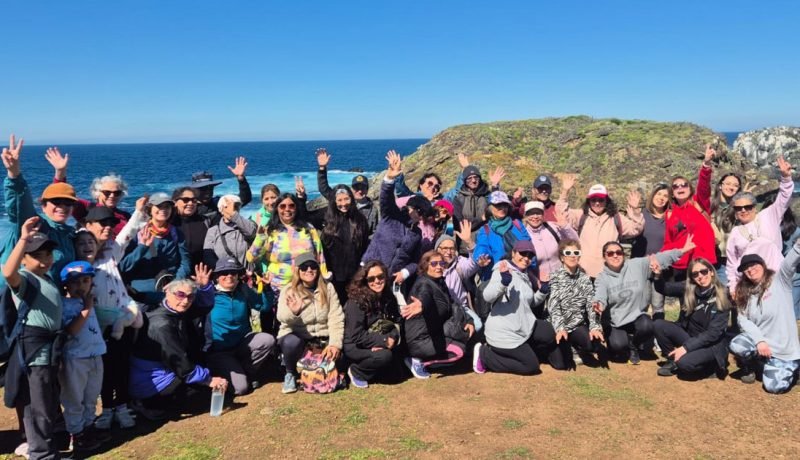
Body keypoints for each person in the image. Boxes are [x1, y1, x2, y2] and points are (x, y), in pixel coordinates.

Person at [80, 202, 147, 431]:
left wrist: (139, 211)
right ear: (88, 226)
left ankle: (123, 406)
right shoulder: (82, 253)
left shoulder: (111, 252)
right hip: (98, 324)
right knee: (105, 368)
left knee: (123, 364)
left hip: (122, 319)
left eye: (111, 223)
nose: (108, 227)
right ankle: (107, 408)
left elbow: (127, 234)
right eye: (102, 223)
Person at [2, 217, 63, 460]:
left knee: (40, 402)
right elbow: (8, 272)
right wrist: (24, 239)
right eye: (38, 255)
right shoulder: (24, 279)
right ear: (25, 259)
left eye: (48, 254)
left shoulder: (46, 278)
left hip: (48, 348)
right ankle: (42, 454)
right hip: (36, 350)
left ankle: (40, 448)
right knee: (40, 405)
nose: (46, 259)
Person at [128, 276, 225, 420]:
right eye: (180, 295)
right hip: (150, 383)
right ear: (167, 293)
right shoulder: (161, 324)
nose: (185, 300)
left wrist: (205, 287)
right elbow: (179, 362)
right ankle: (145, 404)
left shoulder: (176, 311)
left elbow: (203, 307)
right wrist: (208, 380)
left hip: (166, 372)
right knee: (202, 397)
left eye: (190, 296)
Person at [593, 237, 695, 364]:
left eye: (619, 252)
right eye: (610, 253)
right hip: (616, 321)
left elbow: (661, 258)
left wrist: (682, 251)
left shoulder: (637, 265)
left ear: (623, 255)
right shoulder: (602, 278)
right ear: (604, 257)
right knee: (618, 347)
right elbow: (600, 294)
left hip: (636, 316)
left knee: (648, 326)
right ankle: (621, 343)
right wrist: (599, 303)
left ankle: (633, 345)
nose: (615, 256)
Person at [472, 240, 565, 375]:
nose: (526, 258)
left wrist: (543, 290)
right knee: (530, 366)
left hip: (523, 324)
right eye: (523, 253)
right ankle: (485, 355)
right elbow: (488, 296)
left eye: (530, 255)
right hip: (505, 332)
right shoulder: (502, 270)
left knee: (548, 331)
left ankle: (544, 355)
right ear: (514, 253)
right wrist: (504, 282)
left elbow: (530, 303)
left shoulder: (524, 274)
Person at [2, 135, 77, 289]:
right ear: (43, 206)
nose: (62, 207)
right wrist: (14, 176)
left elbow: (59, 192)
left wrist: (60, 173)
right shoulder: (35, 225)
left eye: (68, 203)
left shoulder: (69, 235)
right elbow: (19, 205)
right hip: (19, 302)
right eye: (56, 202)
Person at [729, 250, 800, 394]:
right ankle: (756, 364)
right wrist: (759, 340)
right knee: (737, 344)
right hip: (763, 344)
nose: (750, 269)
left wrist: (798, 246)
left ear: (763, 265)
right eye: (745, 268)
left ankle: (793, 367)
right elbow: (742, 319)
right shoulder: (745, 292)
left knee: (774, 386)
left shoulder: (780, 281)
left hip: (783, 349)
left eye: (754, 264)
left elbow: (789, 262)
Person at [204, 258, 276, 396]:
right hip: (220, 351)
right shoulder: (209, 294)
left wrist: (266, 288)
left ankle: (245, 371)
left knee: (267, 340)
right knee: (240, 389)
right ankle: (226, 371)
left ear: (238, 276)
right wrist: (201, 288)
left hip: (243, 344)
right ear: (217, 277)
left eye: (233, 272)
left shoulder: (242, 290)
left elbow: (263, 306)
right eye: (224, 273)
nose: (229, 276)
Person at [276, 253, 344, 394]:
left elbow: (335, 317)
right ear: (297, 270)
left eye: (312, 266)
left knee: (345, 348)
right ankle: (290, 373)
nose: (309, 270)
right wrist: (294, 312)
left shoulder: (328, 288)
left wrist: (334, 344)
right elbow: (281, 317)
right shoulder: (289, 290)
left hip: (321, 338)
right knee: (290, 342)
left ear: (318, 269)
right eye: (304, 267)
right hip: (298, 337)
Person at [653, 258, 731, 378]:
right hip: (690, 337)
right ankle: (672, 359)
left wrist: (685, 348)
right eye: (695, 274)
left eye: (704, 271)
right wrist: (658, 275)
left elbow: (713, 333)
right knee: (658, 325)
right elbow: (664, 288)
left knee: (684, 364)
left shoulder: (722, 295)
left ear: (711, 272)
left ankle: (712, 366)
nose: (700, 276)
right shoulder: (689, 288)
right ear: (692, 278)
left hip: (711, 345)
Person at [726, 156, 794, 294]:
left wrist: (786, 178)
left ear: (755, 207)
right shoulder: (735, 232)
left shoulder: (769, 215)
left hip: (776, 279)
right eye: (739, 208)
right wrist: (733, 286)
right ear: (735, 211)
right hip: (749, 283)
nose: (743, 210)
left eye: (748, 206)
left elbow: (783, 198)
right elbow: (732, 263)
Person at [57, 261, 106, 452]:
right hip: (74, 358)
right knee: (73, 399)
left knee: (91, 397)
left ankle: (88, 428)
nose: (81, 286)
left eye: (86, 281)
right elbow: (71, 331)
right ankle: (76, 434)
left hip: (95, 355)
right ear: (66, 285)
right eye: (75, 282)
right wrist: (86, 308)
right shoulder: (65, 304)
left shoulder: (90, 300)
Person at [361, 151, 430, 286]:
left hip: (391, 280)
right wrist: (389, 179)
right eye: (420, 211)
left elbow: (416, 261)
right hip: (368, 272)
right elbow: (385, 198)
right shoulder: (391, 216)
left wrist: (404, 272)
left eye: (424, 214)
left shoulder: (417, 233)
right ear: (411, 207)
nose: (421, 217)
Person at [403, 251, 475, 379]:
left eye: (441, 263)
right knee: (459, 351)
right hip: (420, 339)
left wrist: (469, 320)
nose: (438, 267)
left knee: (464, 340)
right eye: (434, 263)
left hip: (435, 332)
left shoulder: (440, 282)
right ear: (426, 266)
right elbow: (424, 295)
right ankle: (419, 362)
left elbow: (454, 305)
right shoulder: (424, 283)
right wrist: (422, 305)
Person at [558, 176, 644, 279]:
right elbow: (561, 213)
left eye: (601, 200)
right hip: (583, 273)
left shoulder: (616, 218)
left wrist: (635, 210)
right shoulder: (581, 215)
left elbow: (636, 229)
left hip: (608, 274)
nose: (597, 203)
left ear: (607, 201)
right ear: (588, 201)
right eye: (593, 200)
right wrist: (565, 191)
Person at [343, 261, 404, 388]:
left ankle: (374, 368)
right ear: (365, 280)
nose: (377, 281)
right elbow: (356, 335)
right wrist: (382, 341)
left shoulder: (388, 297)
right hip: (356, 345)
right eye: (371, 278)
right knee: (384, 357)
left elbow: (396, 322)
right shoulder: (356, 301)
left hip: (381, 339)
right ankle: (356, 371)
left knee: (397, 375)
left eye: (380, 277)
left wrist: (392, 338)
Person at [45, 147, 131, 237]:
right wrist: (60, 171)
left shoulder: (125, 216)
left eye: (116, 193)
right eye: (107, 192)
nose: (112, 195)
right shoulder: (87, 209)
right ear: (97, 193)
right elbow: (62, 194)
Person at [547, 239, 605, 366]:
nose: (573, 256)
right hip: (558, 326)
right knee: (560, 364)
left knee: (594, 345)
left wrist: (594, 326)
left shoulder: (585, 278)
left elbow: (591, 305)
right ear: (562, 257)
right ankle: (558, 348)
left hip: (577, 325)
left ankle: (577, 347)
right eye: (568, 253)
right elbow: (554, 306)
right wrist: (560, 328)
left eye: (576, 252)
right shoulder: (554, 277)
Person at [661, 147, 717, 279]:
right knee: (686, 299)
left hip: (704, 264)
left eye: (684, 185)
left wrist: (706, 164)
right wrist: (658, 258)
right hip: (681, 267)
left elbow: (704, 186)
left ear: (690, 189)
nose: (680, 187)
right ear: (672, 193)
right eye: (676, 186)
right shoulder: (670, 214)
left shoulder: (699, 203)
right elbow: (668, 243)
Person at [308, 184, 369, 304]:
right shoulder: (326, 216)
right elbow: (304, 217)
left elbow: (365, 246)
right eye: (339, 200)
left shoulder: (360, 219)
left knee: (352, 307)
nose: (343, 203)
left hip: (354, 275)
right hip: (331, 276)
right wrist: (301, 197)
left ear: (352, 199)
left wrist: (363, 270)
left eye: (346, 199)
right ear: (334, 201)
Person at [119, 193, 192, 293]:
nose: (163, 210)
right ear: (150, 209)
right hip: (141, 293)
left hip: (169, 290)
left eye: (167, 207)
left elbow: (185, 262)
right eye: (158, 206)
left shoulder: (176, 233)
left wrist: (176, 282)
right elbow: (124, 266)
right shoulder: (137, 233)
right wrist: (142, 247)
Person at [315, 148, 378, 237]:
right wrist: (322, 168)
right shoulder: (343, 201)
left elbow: (374, 232)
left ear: (367, 189)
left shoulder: (373, 210)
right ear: (351, 189)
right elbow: (323, 188)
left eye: (363, 188)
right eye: (356, 187)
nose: (359, 191)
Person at [435, 227, 489, 332]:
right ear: (437, 249)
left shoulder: (459, 263)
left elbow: (474, 263)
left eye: (452, 248)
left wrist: (469, 241)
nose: (448, 252)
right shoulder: (432, 266)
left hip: (462, 308)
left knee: (477, 325)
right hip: (441, 309)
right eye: (444, 248)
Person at [630, 182, 670, 319]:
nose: (661, 198)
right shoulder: (642, 214)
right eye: (659, 194)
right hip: (642, 266)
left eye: (665, 195)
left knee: (658, 303)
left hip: (660, 267)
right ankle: (642, 335)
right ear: (652, 195)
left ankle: (658, 335)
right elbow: (632, 228)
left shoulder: (670, 217)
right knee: (642, 302)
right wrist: (634, 209)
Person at [473, 191, 532, 280]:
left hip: (521, 274)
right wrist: (482, 257)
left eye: (505, 205)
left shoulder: (517, 224)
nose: (502, 208)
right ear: (490, 208)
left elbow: (528, 245)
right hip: (496, 276)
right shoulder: (486, 229)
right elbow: (482, 247)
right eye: (498, 205)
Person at [451, 163, 505, 255]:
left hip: (487, 244)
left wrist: (495, 186)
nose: (473, 181)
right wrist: (482, 219)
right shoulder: (458, 199)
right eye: (469, 178)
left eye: (476, 177)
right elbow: (459, 226)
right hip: (465, 248)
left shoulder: (486, 195)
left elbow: (497, 208)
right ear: (464, 181)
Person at [187, 157, 252, 226]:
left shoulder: (219, 204)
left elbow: (245, 199)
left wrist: (241, 179)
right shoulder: (188, 207)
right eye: (203, 189)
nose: (207, 192)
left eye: (210, 188)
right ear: (194, 190)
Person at [521, 201, 578, 279]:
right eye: (531, 213)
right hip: (541, 282)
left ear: (543, 214)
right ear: (525, 216)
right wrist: (535, 281)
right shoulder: (524, 235)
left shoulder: (552, 227)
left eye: (538, 213)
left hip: (562, 277)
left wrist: (565, 227)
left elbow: (575, 242)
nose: (535, 216)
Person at [202, 194, 257, 268]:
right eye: (228, 207)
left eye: (236, 207)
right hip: (224, 275)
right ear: (221, 209)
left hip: (246, 274)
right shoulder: (213, 231)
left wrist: (234, 215)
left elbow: (251, 233)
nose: (233, 210)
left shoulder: (248, 224)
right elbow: (208, 255)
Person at [171, 187, 210, 267]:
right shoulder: (169, 223)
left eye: (194, 200)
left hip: (201, 274)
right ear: (175, 202)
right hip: (176, 274)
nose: (190, 203)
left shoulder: (205, 221)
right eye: (186, 200)